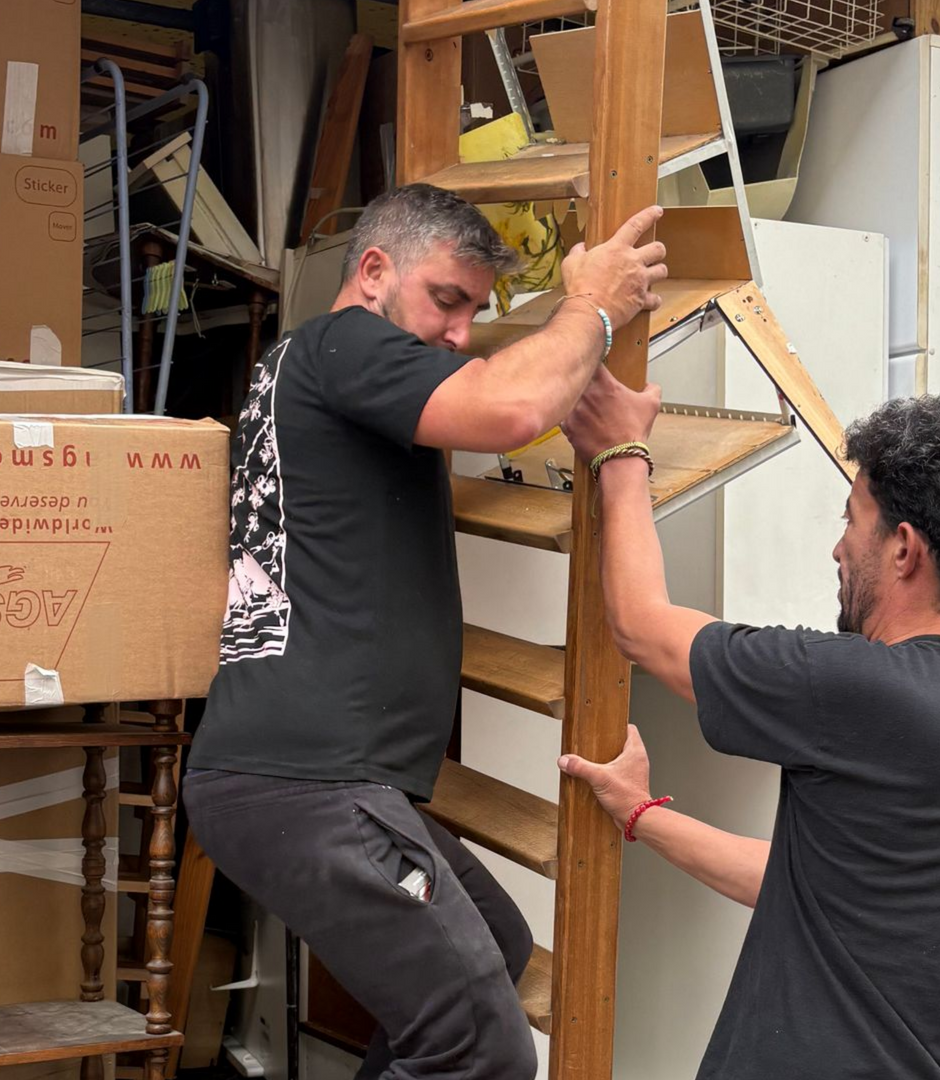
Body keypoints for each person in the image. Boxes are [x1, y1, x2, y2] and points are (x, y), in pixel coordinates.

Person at [183, 183, 669, 1079]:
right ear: (373, 271)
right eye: (448, 300)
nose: (458, 332)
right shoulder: (344, 343)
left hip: (306, 776)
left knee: (497, 944)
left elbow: (512, 400)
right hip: (309, 778)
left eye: (475, 311)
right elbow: (508, 411)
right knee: (483, 1050)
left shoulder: (311, 368)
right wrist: (594, 305)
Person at [557, 381, 940, 1080]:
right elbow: (816, 883)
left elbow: (640, 625)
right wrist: (643, 816)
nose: (839, 548)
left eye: (852, 520)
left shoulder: (861, 689)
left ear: (904, 549)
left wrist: (622, 455)